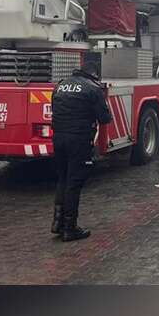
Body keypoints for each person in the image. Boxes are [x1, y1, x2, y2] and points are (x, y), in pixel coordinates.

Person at [50, 61, 113, 242]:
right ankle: (70, 228)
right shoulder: (93, 89)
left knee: (63, 179)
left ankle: (57, 223)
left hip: (59, 138)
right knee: (74, 183)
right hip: (78, 140)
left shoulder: (61, 86)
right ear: (94, 75)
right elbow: (105, 118)